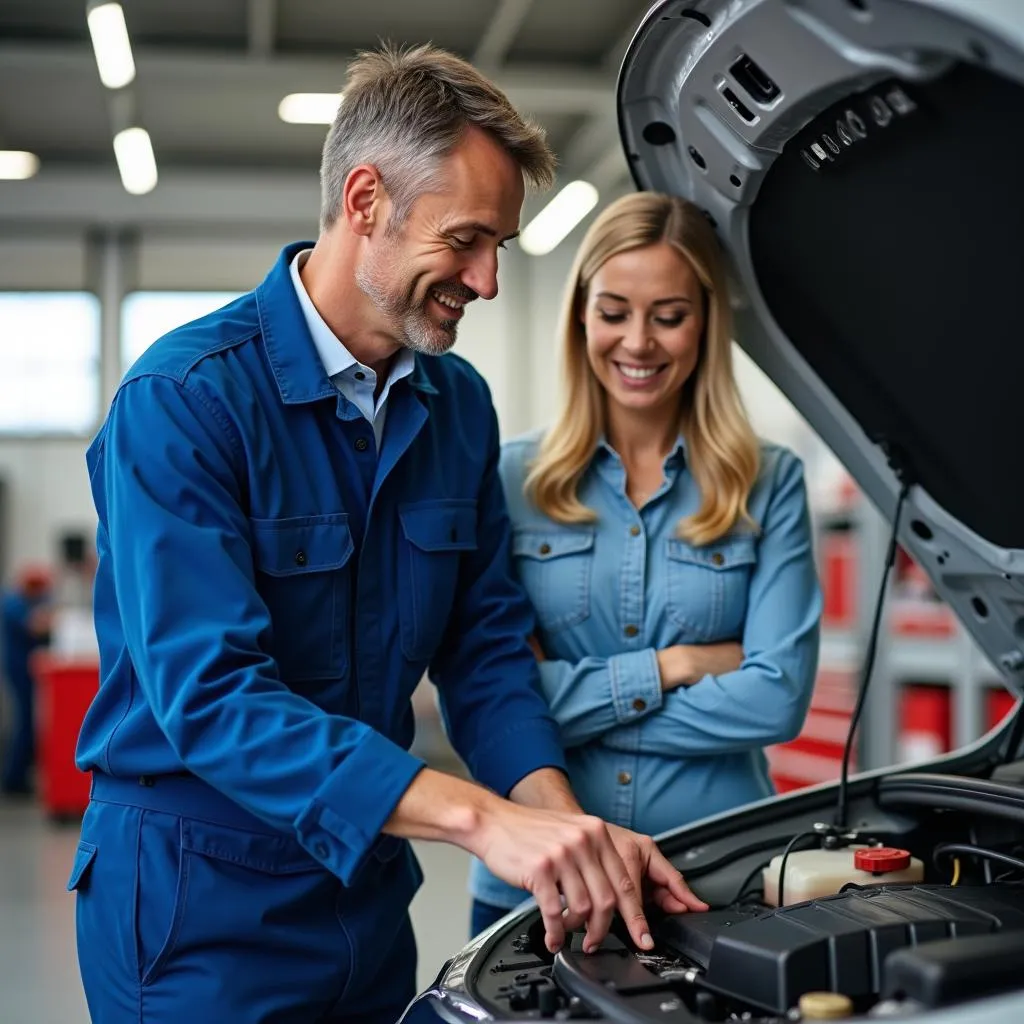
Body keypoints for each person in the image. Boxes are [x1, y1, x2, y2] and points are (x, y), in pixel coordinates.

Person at [68, 46, 705, 1024]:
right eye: (467, 240)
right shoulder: (185, 401)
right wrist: (479, 820)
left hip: (365, 892)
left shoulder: (456, 406)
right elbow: (213, 698)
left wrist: (558, 823)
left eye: (500, 245)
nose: (488, 280)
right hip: (198, 906)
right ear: (365, 199)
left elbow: (484, 651)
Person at [469, 192, 823, 933]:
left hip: (715, 878)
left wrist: (568, 710)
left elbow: (777, 700)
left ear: (705, 324)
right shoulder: (506, 479)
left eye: (668, 315)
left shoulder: (770, 480)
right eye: (614, 311)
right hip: (539, 886)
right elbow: (498, 696)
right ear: (581, 315)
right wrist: (678, 665)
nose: (638, 342)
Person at [1, 565, 52, 795]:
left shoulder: (23, 602)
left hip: (26, 670)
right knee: (25, 722)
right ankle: (14, 778)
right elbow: (36, 626)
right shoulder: (13, 604)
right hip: (18, 670)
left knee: (29, 722)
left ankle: (18, 775)